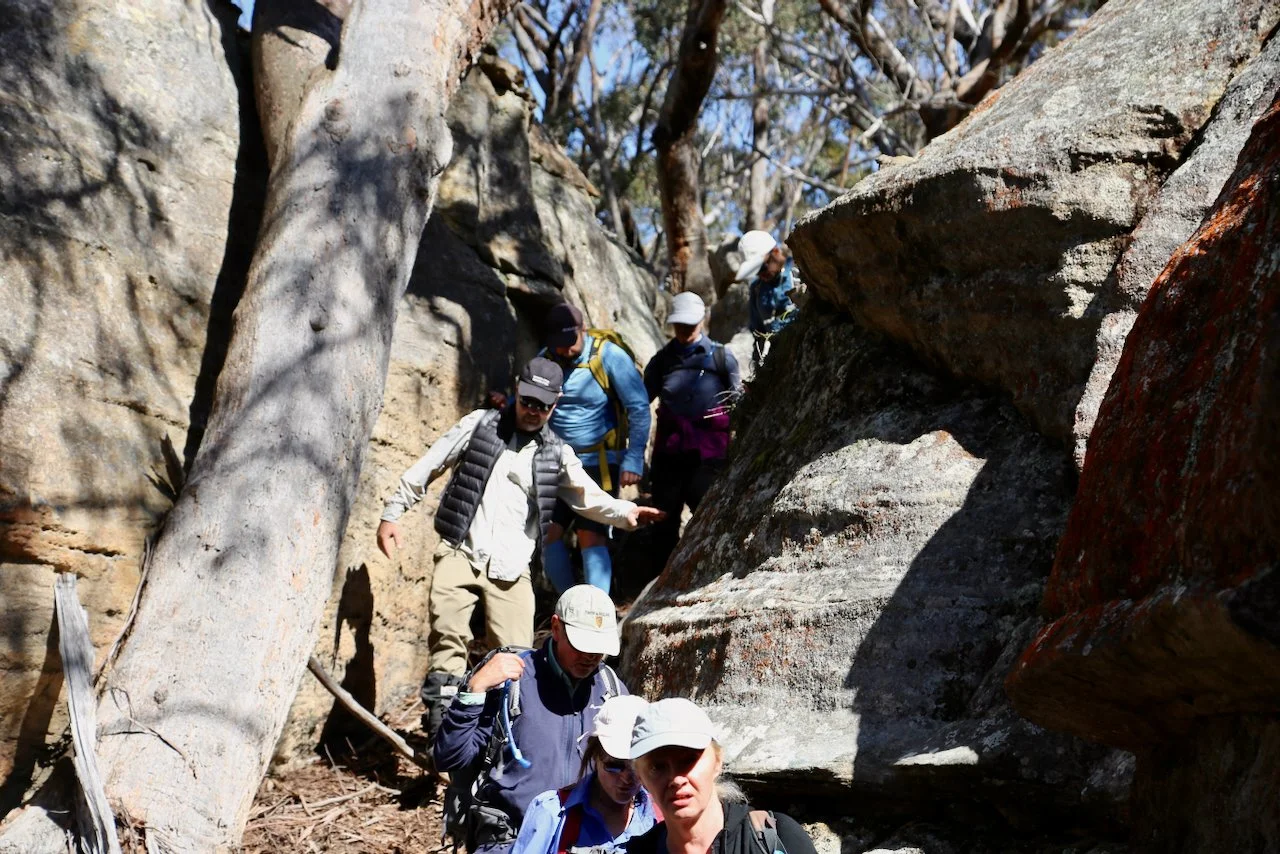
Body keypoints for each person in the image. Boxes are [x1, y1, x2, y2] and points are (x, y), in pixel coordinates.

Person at [376, 358, 663, 738]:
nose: (534, 410)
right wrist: (393, 512)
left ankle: (497, 736)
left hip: (512, 568)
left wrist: (626, 512)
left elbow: (586, 496)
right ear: (517, 389)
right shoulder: (479, 425)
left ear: (556, 403)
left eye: (544, 404)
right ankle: (442, 731)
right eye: (528, 400)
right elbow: (429, 465)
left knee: (514, 657)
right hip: (461, 550)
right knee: (447, 638)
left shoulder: (556, 452)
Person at [434, 585, 634, 854]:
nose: (590, 657)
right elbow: (450, 757)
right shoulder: (509, 681)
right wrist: (474, 690)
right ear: (556, 627)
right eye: (582, 645)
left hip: (583, 840)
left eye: (599, 648)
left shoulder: (610, 688)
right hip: (509, 839)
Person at [540, 302, 651, 595]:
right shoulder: (546, 359)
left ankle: (595, 613)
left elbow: (638, 407)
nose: (564, 351)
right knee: (548, 535)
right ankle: (568, 607)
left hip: (597, 463)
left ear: (583, 330)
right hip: (554, 462)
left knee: (591, 536)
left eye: (569, 343)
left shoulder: (609, 356)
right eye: (558, 345)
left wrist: (633, 458)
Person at [628, 698, 818, 854]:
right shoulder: (640, 851)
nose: (676, 779)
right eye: (657, 767)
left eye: (688, 760)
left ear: (718, 762)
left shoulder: (776, 838)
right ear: (641, 777)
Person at [642, 292, 742, 573]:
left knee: (711, 519)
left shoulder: (723, 358)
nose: (685, 330)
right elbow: (639, 403)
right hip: (668, 459)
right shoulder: (661, 361)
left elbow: (738, 404)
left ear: (702, 321)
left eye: (690, 324)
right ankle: (656, 582)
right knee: (662, 525)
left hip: (709, 460)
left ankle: (712, 574)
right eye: (680, 324)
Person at [511, 695, 658, 854]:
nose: (626, 778)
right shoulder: (552, 813)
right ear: (594, 754)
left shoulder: (661, 820)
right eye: (614, 765)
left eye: (637, 767)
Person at [736, 231, 798, 371]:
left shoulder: (798, 270)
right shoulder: (757, 289)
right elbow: (758, 335)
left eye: (762, 267)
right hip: (779, 364)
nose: (760, 274)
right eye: (755, 271)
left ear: (776, 252)